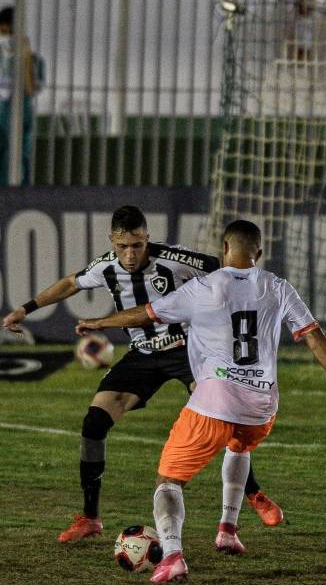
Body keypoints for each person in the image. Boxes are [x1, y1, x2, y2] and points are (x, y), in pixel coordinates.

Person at [76, 219, 326, 583]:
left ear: (224, 249)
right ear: (257, 253)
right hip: (262, 405)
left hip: (215, 401)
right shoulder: (278, 286)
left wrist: (99, 323)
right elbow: (313, 335)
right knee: (239, 449)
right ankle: (228, 529)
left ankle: (173, 555)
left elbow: (147, 314)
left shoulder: (203, 287)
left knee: (168, 481)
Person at [1, 206, 285, 542]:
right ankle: (90, 517)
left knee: (224, 414)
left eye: (138, 245)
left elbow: (227, 270)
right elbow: (69, 283)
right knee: (94, 423)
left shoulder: (177, 259)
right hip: (143, 355)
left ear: (147, 239)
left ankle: (254, 495)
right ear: (113, 241)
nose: (131, 253)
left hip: (187, 351)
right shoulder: (106, 266)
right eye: (123, 246)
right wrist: (25, 309)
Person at [0, 5, 35, 186]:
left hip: (19, 107)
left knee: (21, 152)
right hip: (10, 107)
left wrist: (25, 58)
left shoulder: (24, 50)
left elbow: (30, 88)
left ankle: (20, 191)